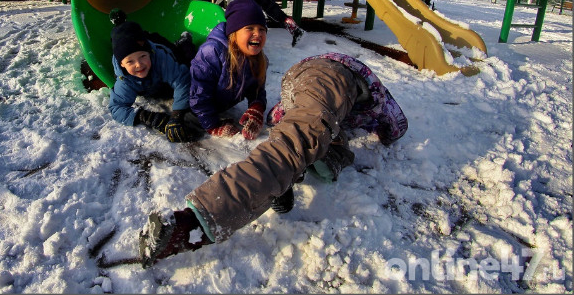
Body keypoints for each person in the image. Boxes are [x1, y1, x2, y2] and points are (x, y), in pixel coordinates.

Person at [139, 52, 408, 267]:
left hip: (299, 83)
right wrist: (384, 130)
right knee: (295, 145)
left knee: (313, 145)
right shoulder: (377, 100)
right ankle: (192, 223)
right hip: (331, 77)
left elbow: (279, 117)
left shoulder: (330, 112)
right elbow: (397, 126)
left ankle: (291, 175)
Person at [189, 0, 269, 140]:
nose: (257, 34)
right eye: (249, 28)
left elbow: (257, 89)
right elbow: (198, 95)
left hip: (220, 103)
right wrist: (212, 125)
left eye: (262, 29)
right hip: (187, 97)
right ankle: (184, 43)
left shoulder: (259, 59)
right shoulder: (211, 52)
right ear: (234, 33)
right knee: (183, 59)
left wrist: (257, 106)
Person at [108, 19, 197, 143]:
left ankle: (184, 41)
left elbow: (182, 81)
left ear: (149, 54)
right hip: (148, 65)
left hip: (164, 47)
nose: (138, 65)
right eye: (130, 61)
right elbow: (116, 107)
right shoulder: (124, 79)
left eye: (143, 56)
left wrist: (177, 115)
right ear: (121, 64)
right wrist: (147, 117)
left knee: (190, 62)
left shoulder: (162, 60)